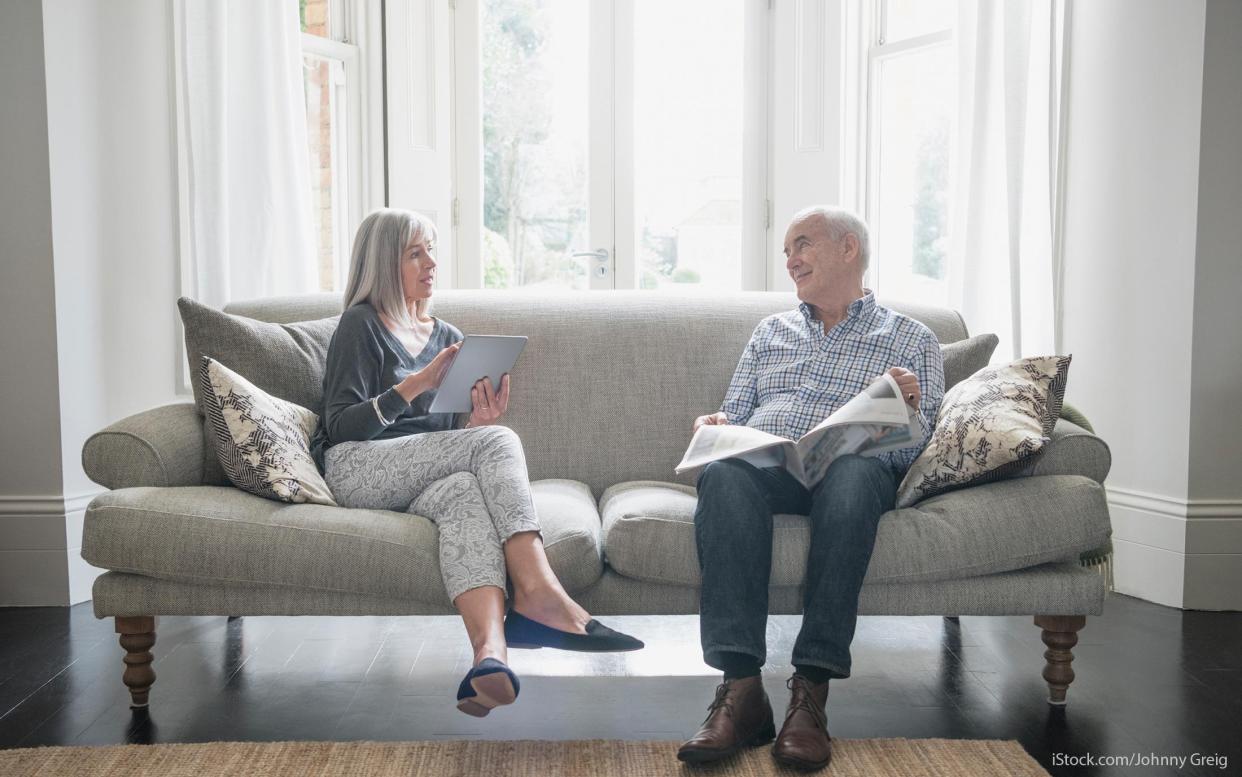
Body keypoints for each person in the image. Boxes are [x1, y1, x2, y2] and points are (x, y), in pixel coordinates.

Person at [310, 208, 643, 718]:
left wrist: (474, 424)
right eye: (415, 252)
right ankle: (539, 592)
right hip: (357, 469)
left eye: (433, 249)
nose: (432, 263)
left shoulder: (446, 335)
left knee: (466, 490)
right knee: (498, 442)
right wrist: (418, 383)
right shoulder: (361, 325)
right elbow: (341, 426)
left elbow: (438, 442)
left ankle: (490, 658)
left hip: (418, 474)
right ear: (383, 263)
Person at [676, 206, 944, 770]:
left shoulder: (910, 338)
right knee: (724, 474)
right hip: (771, 465)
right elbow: (738, 411)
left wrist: (906, 411)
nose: (791, 261)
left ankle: (810, 694)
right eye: (787, 252)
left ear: (848, 249)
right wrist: (716, 426)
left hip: (851, 467)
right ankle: (742, 690)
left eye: (802, 245)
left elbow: (913, 450)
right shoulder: (770, 331)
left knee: (852, 476)